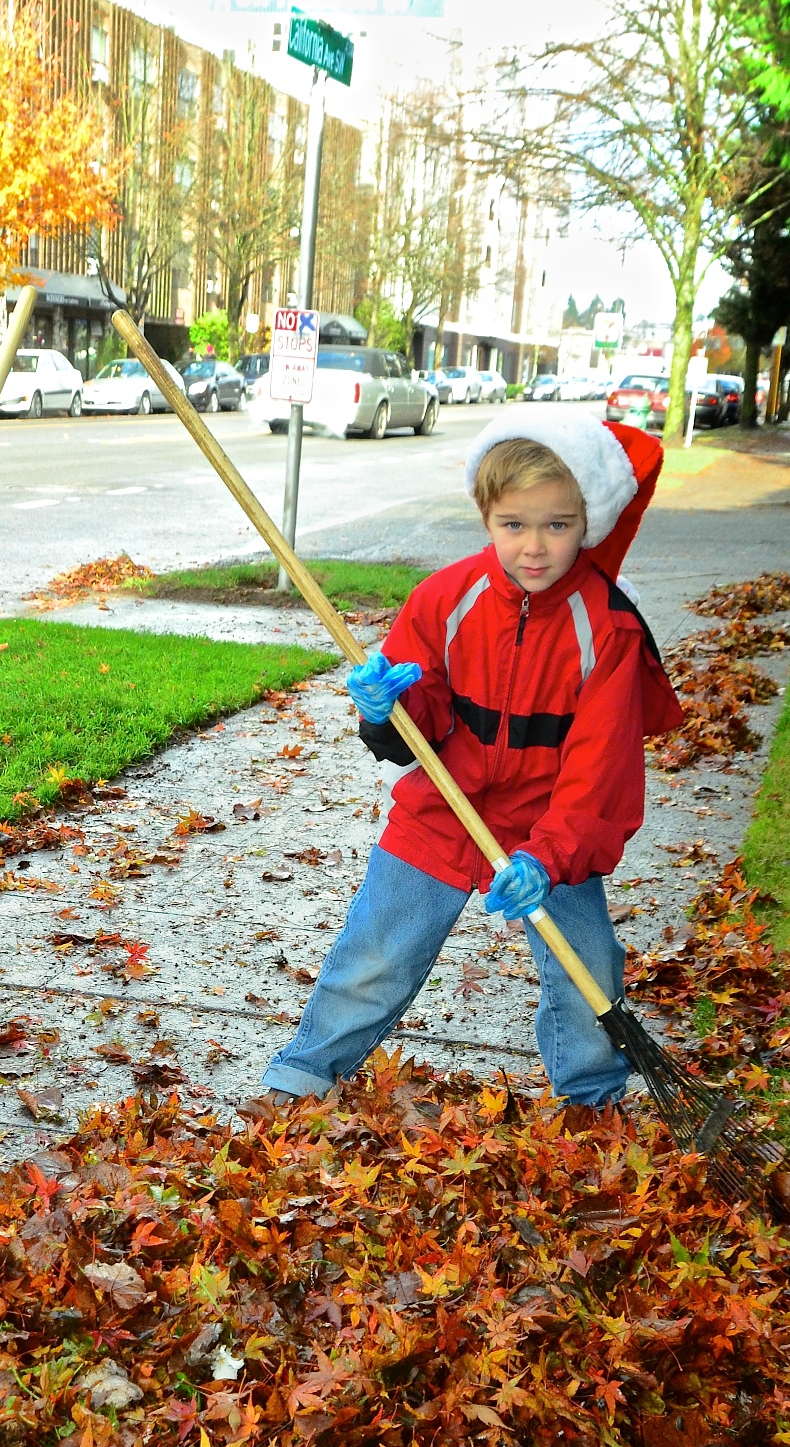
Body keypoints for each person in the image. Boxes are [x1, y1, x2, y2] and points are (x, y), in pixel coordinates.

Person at [264, 407, 681, 1110]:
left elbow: (598, 774)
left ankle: (593, 1099)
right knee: (377, 951)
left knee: (589, 971)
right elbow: (413, 726)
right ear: (486, 517)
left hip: (551, 828)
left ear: (591, 523)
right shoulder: (447, 598)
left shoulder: (605, 629)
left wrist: (550, 859)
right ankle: (305, 1071)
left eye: (558, 525)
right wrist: (385, 707)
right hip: (443, 808)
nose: (535, 547)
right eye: (514, 524)